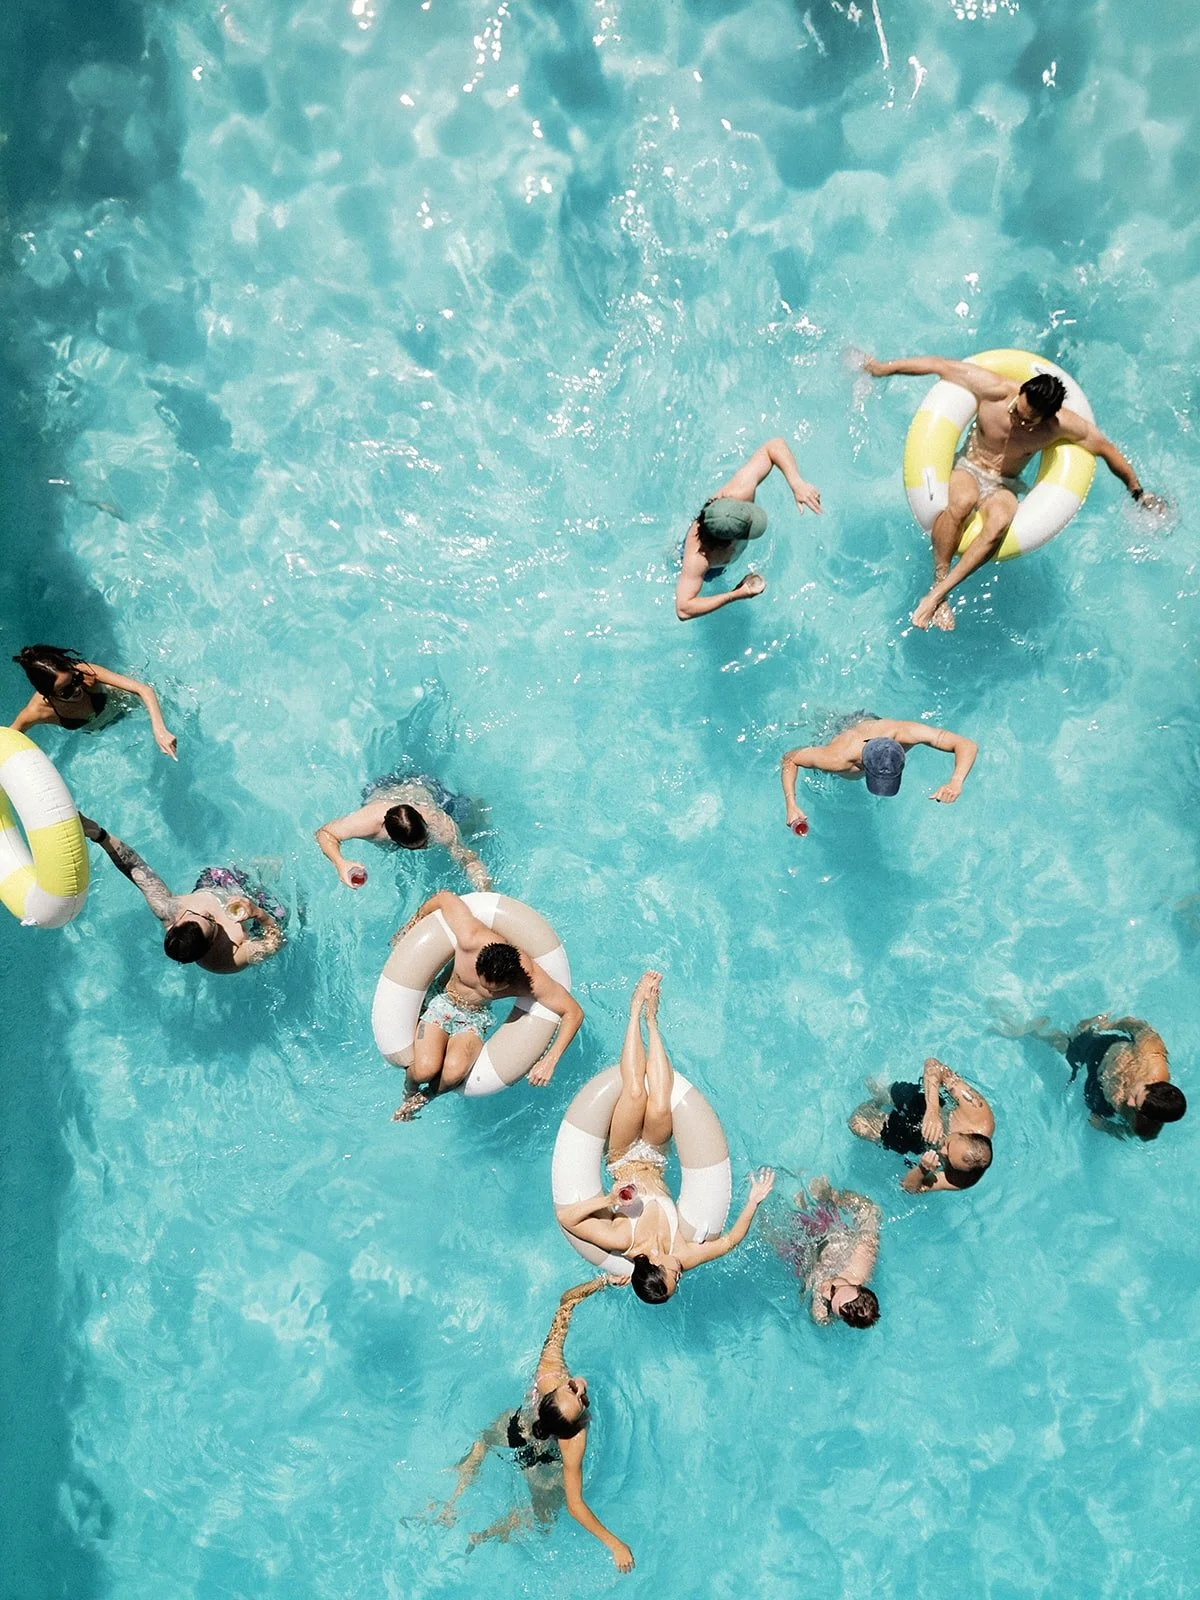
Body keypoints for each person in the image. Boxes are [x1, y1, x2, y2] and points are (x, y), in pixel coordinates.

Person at [862, 354, 1154, 630]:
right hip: (969, 466)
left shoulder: (1059, 426)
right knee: (961, 502)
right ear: (1021, 393)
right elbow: (937, 364)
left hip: (1004, 483)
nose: (1019, 420)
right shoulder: (994, 390)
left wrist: (1138, 493)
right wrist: (881, 369)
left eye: (1028, 421)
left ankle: (939, 593)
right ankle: (939, 576)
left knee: (1001, 521)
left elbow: (1106, 449)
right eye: (1018, 410)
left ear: (1048, 417)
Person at [556, 972, 775, 1301]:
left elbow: (566, 1218)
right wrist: (753, 1201)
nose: (680, 1274)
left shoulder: (621, 1239)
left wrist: (608, 1200)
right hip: (656, 1157)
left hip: (624, 1156)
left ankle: (635, 1012)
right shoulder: (682, 1255)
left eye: (674, 1277)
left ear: (656, 1264)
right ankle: (653, 1020)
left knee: (633, 1092)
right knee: (658, 1106)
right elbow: (729, 1242)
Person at [430, 1277, 634, 1573]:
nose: (580, 1386)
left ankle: (457, 1503)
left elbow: (566, 1304)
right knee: (544, 1522)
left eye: (576, 1394)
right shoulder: (574, 1439)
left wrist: (602, 1281)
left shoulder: (550, 1371)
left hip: (515, 1427)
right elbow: (575, 1504)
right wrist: (615, 1544)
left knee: (484, 1441)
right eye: (578, 1395)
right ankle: (481, 1531)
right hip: (543, 1461)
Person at [392, 890, 583, 1120]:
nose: (490, 991)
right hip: (442, 1000)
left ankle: (424, 1097)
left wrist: (551, 1060)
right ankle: (409, 1090)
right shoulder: (470, 938)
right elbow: (444, 898)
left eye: (497, 990)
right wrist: (412, 925)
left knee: (453, 1075)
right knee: (424, 1069)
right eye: (486, 985)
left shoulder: (528, 977)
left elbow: (573, 1011)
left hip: (474, 1017)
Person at [79, 817, 285, 973]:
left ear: (174, 925)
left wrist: (99, 835)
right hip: (256, 918)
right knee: (287, 911)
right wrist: (257, 912)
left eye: (192, 913)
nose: (206, 911)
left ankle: (267, 866)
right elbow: (275, 943)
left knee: (268, 865)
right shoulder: (226, 959)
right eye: (209, 919)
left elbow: (135, 867)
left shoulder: (170, 910)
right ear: (211, 942)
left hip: (219, 883)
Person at [674, 438, 822, 620]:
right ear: (729, 543)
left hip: (715, 539)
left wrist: (796, 483)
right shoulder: (698, 560)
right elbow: (683, 608)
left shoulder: (739, 492)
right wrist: (736, 594)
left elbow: (773, 446)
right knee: (676, 562)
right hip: (710, 566)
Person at [781, 714, 977, 835]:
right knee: (823, 722)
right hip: (838, 735)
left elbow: (966, 744)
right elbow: (790, 759)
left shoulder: (904, 733)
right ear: (863, 765)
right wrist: (791, 804)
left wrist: (956, 782)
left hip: (866, 721)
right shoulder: (837, 759)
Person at [314, 772, 489, 891]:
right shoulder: (368, 822)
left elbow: (466, 857)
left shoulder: (438, 823)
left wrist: (484, 888)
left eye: (424, 840)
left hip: (422, 787)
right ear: (390, 836)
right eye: (416, 846)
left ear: (423, 821)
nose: (424, 847)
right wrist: (340, 863)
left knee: (473, 821)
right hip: (383, 789)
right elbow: (325, 833)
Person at [849, 1057, 994, 1194]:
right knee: (885, 1092)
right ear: (967, 1132)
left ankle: (877, 1109)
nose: (941, 1151)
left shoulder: (961, 1178)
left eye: (947, 1161)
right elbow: (934, 1065)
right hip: (928, 1106)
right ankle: (880, 1098)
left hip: (919, 1142)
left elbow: (908, 1187)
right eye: (948, 1146)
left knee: (856, 1124)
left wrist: (923, 1169)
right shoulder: (977, 1114)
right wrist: (932, 1111)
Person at [11, 644, 177, 758]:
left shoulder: (86, 672)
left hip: (123, 703)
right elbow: (9, 737)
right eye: (66, 691)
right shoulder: (37, 712)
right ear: (47, 694)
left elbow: (143, 690)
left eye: (75, 679)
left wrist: (159, 729)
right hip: (98, 729)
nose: (76, 689)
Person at [768, 1177, 880, 1328]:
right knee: (816, 1188)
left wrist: (819, 1313)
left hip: (804, 1256)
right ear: (856, 1285)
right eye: (834, 1290)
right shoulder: (860, 1260)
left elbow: (819, 1318)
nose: (825, 1292)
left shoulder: (823, 1309)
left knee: (769, 1231)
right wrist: (837, 1198)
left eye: (831, 1300)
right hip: (828, 1234)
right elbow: (870, 1210)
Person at [1056, 1014, 1186, 1140]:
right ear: (1151, 1083)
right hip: (1102, 1051)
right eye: (1136, 1098)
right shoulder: (1150, 1052)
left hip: (1101, 1096)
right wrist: (1108, 1025)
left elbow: (1132, 1132)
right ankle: (1040, 1032)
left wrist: (1106, 1126)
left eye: (1137, 1108)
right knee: (1069, 1041)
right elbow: (1138, 1027)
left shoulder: (1146, 1121)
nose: (1129, 1103)